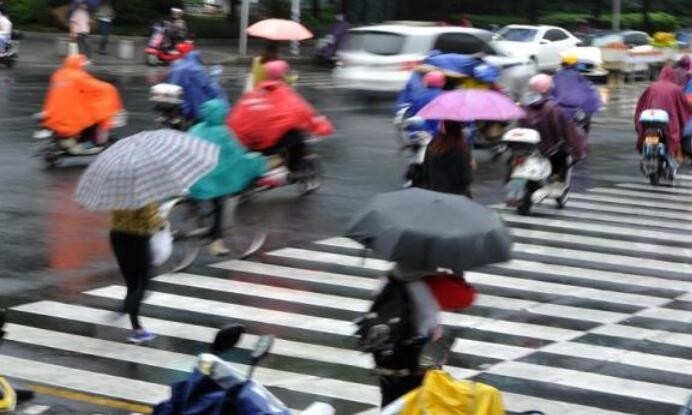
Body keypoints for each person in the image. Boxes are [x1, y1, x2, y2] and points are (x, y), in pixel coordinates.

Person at [188, 99, 268, 256]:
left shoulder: (195, 129)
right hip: (210, 181)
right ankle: (216, 241)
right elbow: (237, 156)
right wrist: (256, 162)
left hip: (192, 178)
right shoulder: (223, 133)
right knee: (220, 203)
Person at [229, 60, 334, 177]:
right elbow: (305, 113)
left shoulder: (253, 93)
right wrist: (322, 127)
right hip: (267, 144)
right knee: (297, 137)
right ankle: (294, 169)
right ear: (282, 75)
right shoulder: (284, 94)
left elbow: (236, 118)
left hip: (246, 145)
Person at [42, 54, 124, 154]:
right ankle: (90, 144)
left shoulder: (59, 75)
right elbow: (98, 87)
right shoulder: (78, 76)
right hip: (69, 118)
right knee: (95, 116)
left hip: (54, 114)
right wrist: (111, 89)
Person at [518, 74, 588, 187]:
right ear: (548, 88)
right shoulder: (552, 108)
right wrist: (578, 151)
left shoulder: (523, 106)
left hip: (526, 147)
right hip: (547, 148)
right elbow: (566, 132)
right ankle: (556, 177)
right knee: (563, 153)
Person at [110, 203, 164, 344]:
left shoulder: (117, 190)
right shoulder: (143, 194)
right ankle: (137, 328)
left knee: (132, 283)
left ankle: (126, 308)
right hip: (137, 239)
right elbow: (150, 218)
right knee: (144, 284)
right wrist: (161, 223)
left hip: (117, 236)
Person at [634, 66, 691, 163]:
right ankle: (675, 154)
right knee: (674, 131)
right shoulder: (675, 89)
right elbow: (683, 105)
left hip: (649, 119)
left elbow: (641, 104)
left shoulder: (652, 86)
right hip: (667, 121)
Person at [167, 50, 227, 125]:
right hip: (194, 104)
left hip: (179, 103)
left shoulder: (176, 68)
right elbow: (209, 87)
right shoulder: (196, 69)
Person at [421, 120, 474, 198]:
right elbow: (466, 179)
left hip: (434, 194)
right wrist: (471, 166)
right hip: (458, 197)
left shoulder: (432, 146)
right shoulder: (462, 149)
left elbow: (425, 173)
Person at [551, 54, 602, 134]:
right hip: (575, 113)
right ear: (574, 64)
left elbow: (551, 93)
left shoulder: (556, 76)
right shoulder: (578, 76)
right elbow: (590, 93)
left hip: (558, 111)